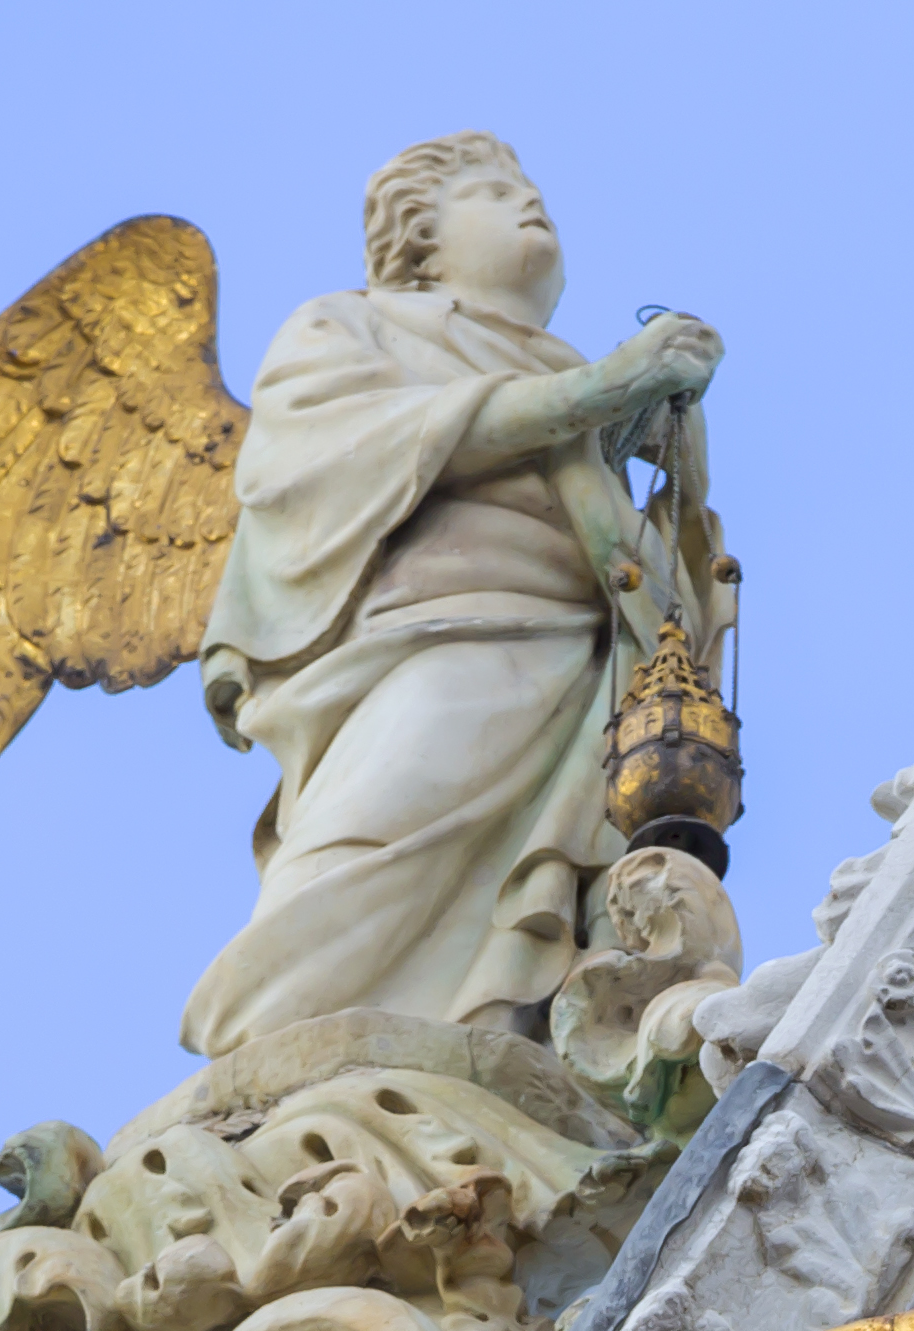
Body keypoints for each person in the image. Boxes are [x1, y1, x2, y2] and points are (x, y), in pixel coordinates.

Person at [181, 137, 724, 1058]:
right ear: (420, 241)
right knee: (374, 840)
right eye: (492, 191)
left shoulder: (574, 367)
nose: (530, 204)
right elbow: (328, 456)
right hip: (439, 639)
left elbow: (656, 572)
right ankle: (269, 1051)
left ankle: (488, 1054)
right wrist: (599, 389)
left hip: (579, 669)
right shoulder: (350, 327)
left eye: (535, 190)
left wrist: (672, 442)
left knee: (529, 909)